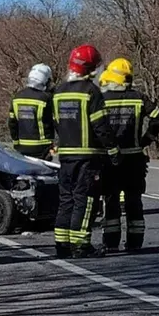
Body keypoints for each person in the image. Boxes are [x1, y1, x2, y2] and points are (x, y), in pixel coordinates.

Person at [52, 45, 119, 259]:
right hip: (88, 156)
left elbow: (55, 122)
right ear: (90, 68)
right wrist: (113, 149)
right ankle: (81, 245)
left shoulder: (58, 91)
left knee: (66, 199)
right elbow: (100, 126)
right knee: (85, 199)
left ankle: (62, 244)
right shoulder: (91, 92)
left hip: (66, 155)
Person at [98, 58, 159, 253]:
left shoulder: (102, 99)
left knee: (110, 201)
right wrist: (147, 139)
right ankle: (135, 242)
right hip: (134, 158)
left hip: (110, 158)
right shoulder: (139, 97)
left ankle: (111, 242)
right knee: (134, 201)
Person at [8, 63, 55, 160]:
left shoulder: (17, 97)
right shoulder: (46, 98)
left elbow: (12, 124)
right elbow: (55, 121)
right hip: (43, 148)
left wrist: (16, 143)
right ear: (45, 81)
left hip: (22, 147)